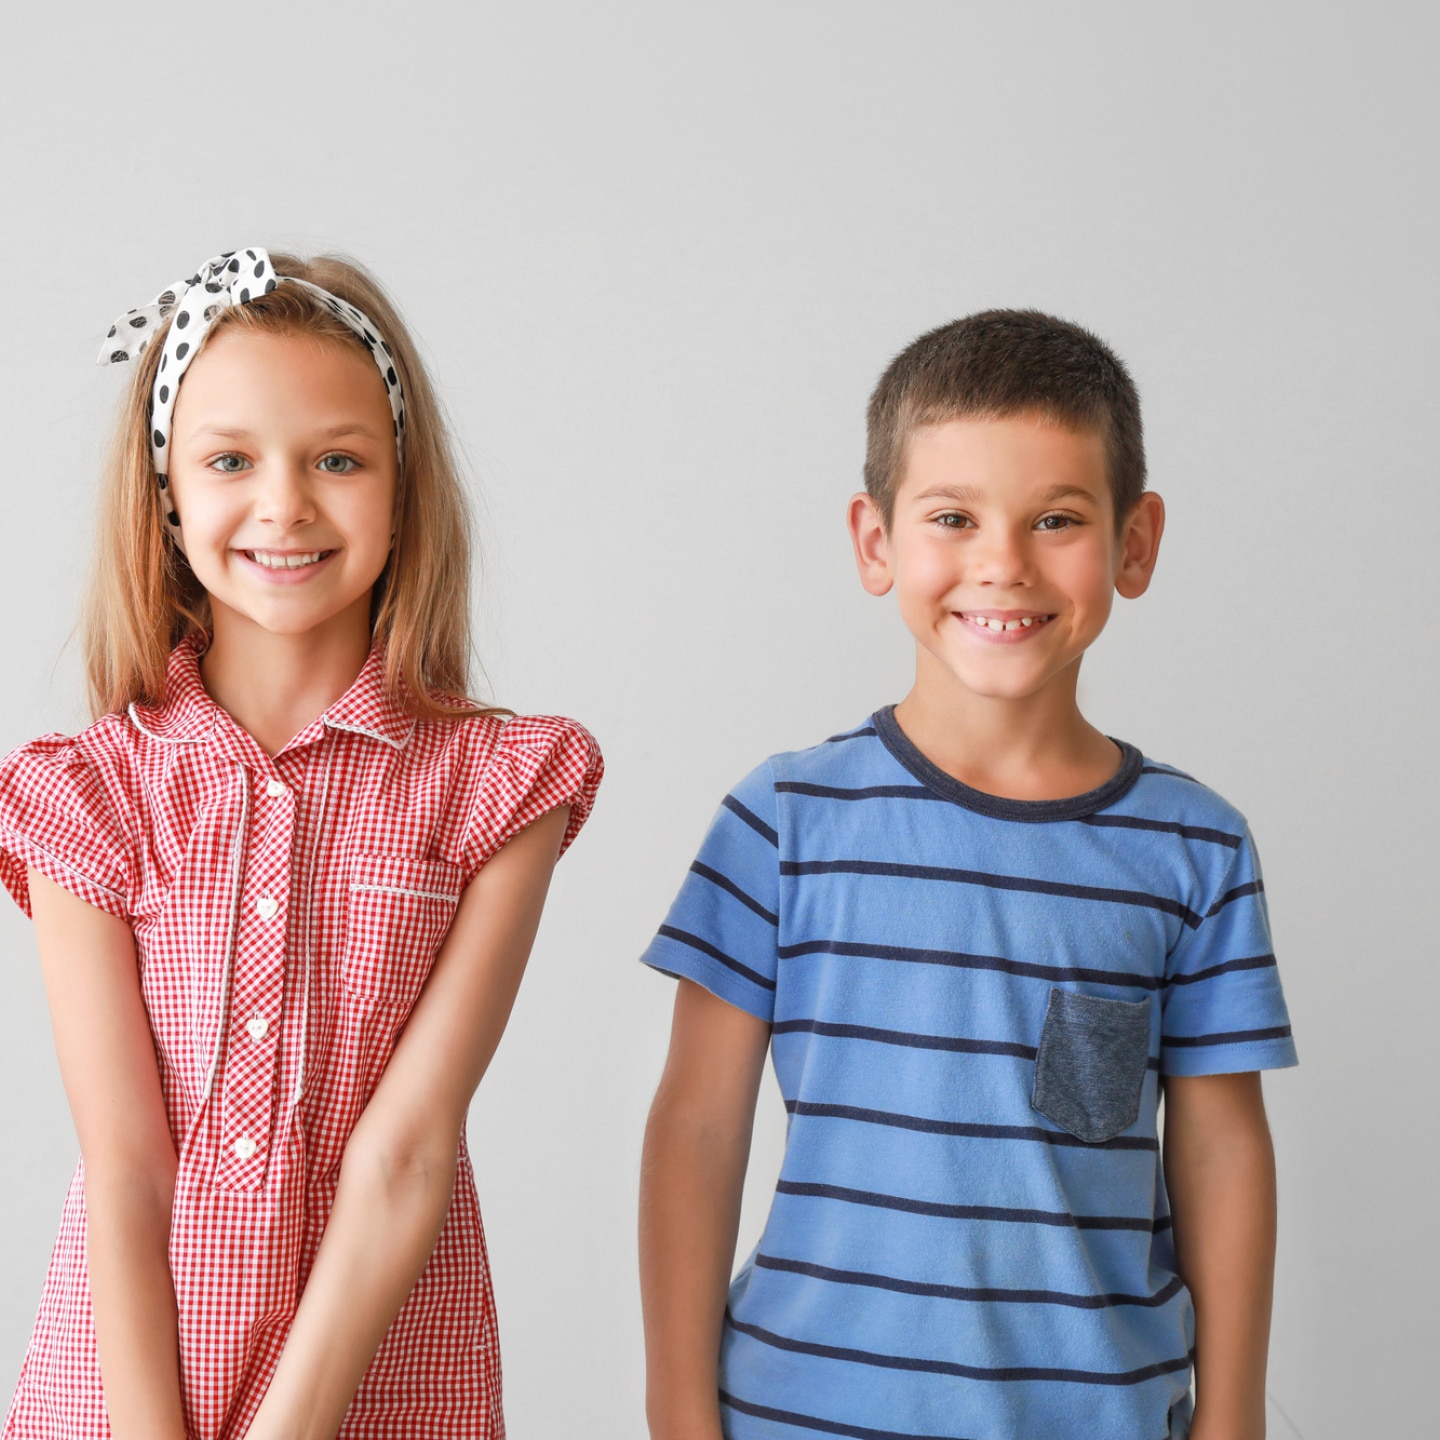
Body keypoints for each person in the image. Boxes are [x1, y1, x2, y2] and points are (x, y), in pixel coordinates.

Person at [638, 310, 1295, 1440]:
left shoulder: (1197, 849)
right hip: (800, 1416)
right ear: (876, 539)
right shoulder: (783, 819)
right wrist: (677, 1412)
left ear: (1135, 544)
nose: (1004, 563)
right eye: (954, 517)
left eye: (1057, 520)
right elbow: (698, 1129)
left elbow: (1224, 1147)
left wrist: (1234, 1414)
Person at [0, 248, 602, 1440]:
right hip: (124, 1385)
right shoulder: (88, 792)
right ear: (166, 491)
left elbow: (409, 1151)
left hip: (376, 1369)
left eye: (338, 458)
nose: (285, 504)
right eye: (231, 460)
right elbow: (126, 1164)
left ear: (402, 484)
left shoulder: (498, 784)